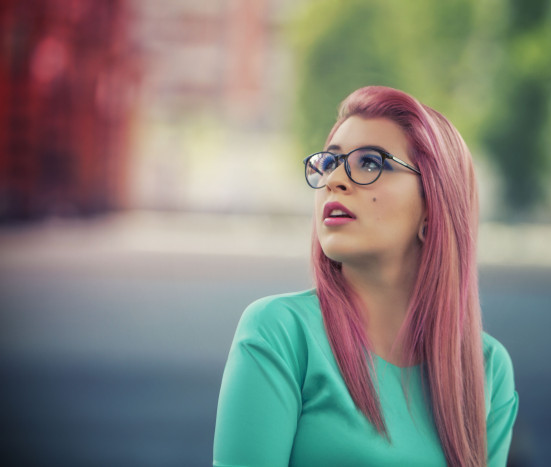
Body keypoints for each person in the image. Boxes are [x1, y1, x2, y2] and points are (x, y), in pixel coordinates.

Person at [213, 86, 518, 467]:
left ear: (433, 207)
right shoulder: (279, 333)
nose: (333, 180)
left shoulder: (487, 368)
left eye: (370, 163)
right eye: (329, 162)